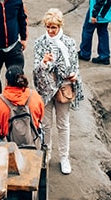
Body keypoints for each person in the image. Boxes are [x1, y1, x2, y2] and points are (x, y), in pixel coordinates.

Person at [33, 9, 81, 174]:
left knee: (63, 124)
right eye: (48, 27)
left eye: (54, 27)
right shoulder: (39, 42)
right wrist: (44, 63)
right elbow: (36, 68)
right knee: (45, 125)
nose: (50, 31)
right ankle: (46, 154)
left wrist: (74, 75)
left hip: (62, 88)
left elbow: (75, 66)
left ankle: (64, 158)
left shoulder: (69, 42)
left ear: (60, 26)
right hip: (46, 90)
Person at [0, 66, 44, 147]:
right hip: (33, 141)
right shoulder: (35, 96)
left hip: (7, 144)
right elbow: (40, 117)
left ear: (7, 81)